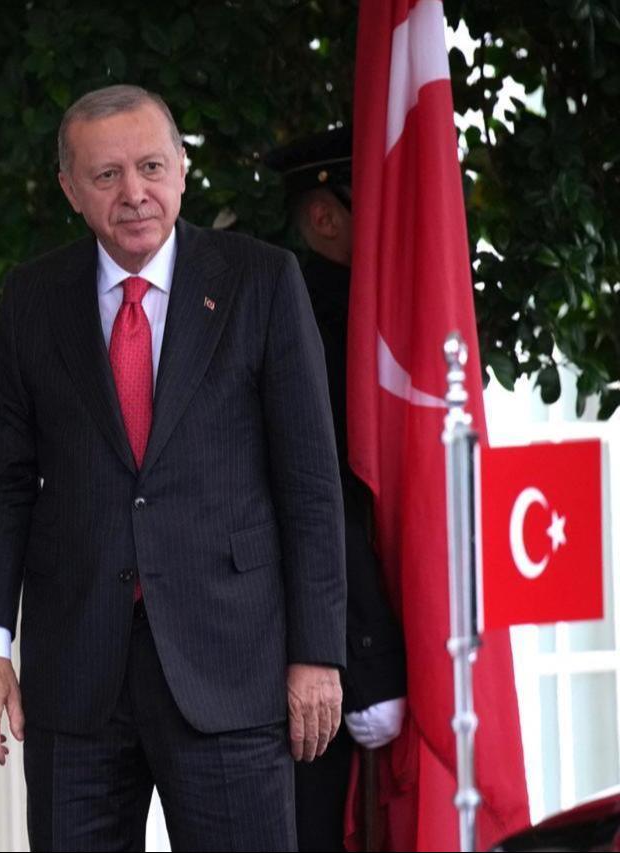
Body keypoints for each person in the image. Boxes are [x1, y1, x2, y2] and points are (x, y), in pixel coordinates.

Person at [0, 84, 346, 851]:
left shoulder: (260, 280)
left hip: (231, 666)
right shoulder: (35, 297)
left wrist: (317, 653)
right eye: (106, 175)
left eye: (150, 166)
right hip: (77, 676)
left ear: (181, 170)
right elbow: (4, 481)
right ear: (71, 189)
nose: (133, 193)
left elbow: (309, 482)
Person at [264, 127, 408, 852]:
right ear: (325, 217)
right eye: (383, 204)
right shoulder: (311, 322)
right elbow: (321, 498)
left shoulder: (378, 313)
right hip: (328, 656)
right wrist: (368, 656)